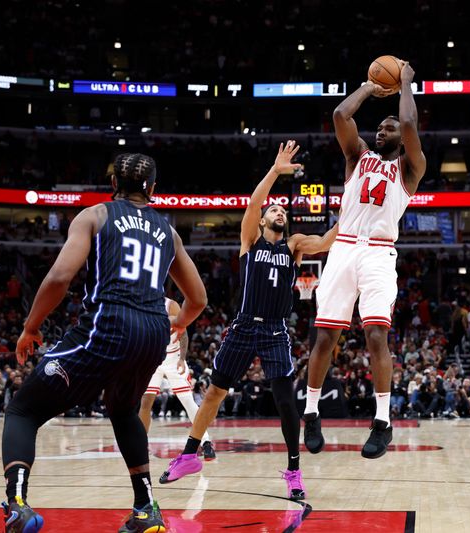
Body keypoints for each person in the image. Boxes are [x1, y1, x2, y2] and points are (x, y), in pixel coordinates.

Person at [2, 153, 207, 533]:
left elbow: (60, 277)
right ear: (153, 190)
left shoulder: (95, 215)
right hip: (153, 333)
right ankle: (146, 509)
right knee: (123, 409)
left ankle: (17, 505)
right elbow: (198, 300)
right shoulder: (168, 230)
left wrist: (31, 327)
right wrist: (177, 324)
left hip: (109, 325)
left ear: (113, 185)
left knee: (22, 411)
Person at [159, 141, 338, 500]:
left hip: (274, 330)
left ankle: (293, 471)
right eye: (274, 209)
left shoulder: (295, 246)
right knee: (214, 393)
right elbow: (255, 203)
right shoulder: (251, 239)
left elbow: (326, 242)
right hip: (243, 326)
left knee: (286, 402)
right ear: (262, 220)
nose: (279, 212)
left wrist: (352, 214)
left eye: (283, 211)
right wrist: (275, 170)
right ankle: (190, 454)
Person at [303, 61, 427, 459]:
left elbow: (410, 127)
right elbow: (341, 115)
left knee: (376, 335)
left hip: (378, 251)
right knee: (325, 337)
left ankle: (382, 421)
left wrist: (405, 83)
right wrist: (369, 87)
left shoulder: (410, 168)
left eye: (388, 128)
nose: (383, 130)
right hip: (343, 248)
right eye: (381, 127)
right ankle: (310, 411)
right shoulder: (357, 156)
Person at [139, 297, 216, 460]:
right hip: (152, 359)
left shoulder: (170, 305)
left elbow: (184, 332)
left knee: (188, 401)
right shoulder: (141, 303)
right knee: (146, 402)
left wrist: (182, 358)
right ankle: (140, 444)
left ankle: (206, 442)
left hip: (173, 358)